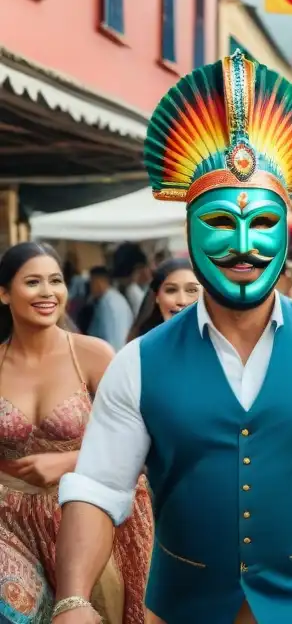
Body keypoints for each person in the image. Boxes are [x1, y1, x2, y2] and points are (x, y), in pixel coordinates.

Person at [52, 52, 292, 624]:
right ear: (188, 230)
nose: (245, 243)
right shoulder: (137, 364)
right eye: (221, 222)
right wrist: (72, 599)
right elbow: (98, 487)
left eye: (264, 223)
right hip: (186, 607)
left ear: (286, 232)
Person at [0, 242, 153, 623]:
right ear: (4, 293)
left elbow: (146, 442)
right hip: (10, 524)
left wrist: (71, 461)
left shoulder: (93, 355)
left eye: (56, 280)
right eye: (32, 282)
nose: (47, 292)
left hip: (89, 517)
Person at [125, 258, 200, 341]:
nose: (182, 301)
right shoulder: (138, 350)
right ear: (156, 296)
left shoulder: (215, 347)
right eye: (171, 290)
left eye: (192, 290)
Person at [85, 267, 134, 350]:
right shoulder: (116, 298)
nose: (90, 288)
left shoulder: (107, 303)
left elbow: (111, 340)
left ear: (98, 282)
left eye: (91, 283)